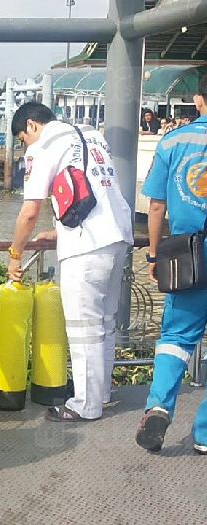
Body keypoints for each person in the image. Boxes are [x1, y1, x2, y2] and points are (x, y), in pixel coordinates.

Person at [7, 101, 133, 422]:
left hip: (86, 246)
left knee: (82, 327)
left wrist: (15, 253)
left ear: (32, 126)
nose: (26, 145)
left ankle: (85, 404)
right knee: (104, 323)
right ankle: (101, 394)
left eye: (23, 139)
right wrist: (59, 230)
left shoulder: (44, 145)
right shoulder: (92, 136)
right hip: (117, 235)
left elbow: (30, 211)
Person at [135, 75, 207, 454]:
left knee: (177, 339)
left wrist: (153, 254)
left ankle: (159, 407)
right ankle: (206, 434)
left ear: (198, 100)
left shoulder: (174, 141)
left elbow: (157, 205)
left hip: (188, 256)